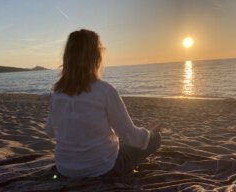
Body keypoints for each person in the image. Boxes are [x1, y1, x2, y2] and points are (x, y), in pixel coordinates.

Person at [45, 29, 161, 180]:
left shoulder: (57, 93)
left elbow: (50, 131)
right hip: (104, 169)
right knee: (156, 139)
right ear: (96, 56)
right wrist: (150, 133)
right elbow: (130, 136)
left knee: (119, 143)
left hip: (65, 169)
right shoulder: (104, 90)